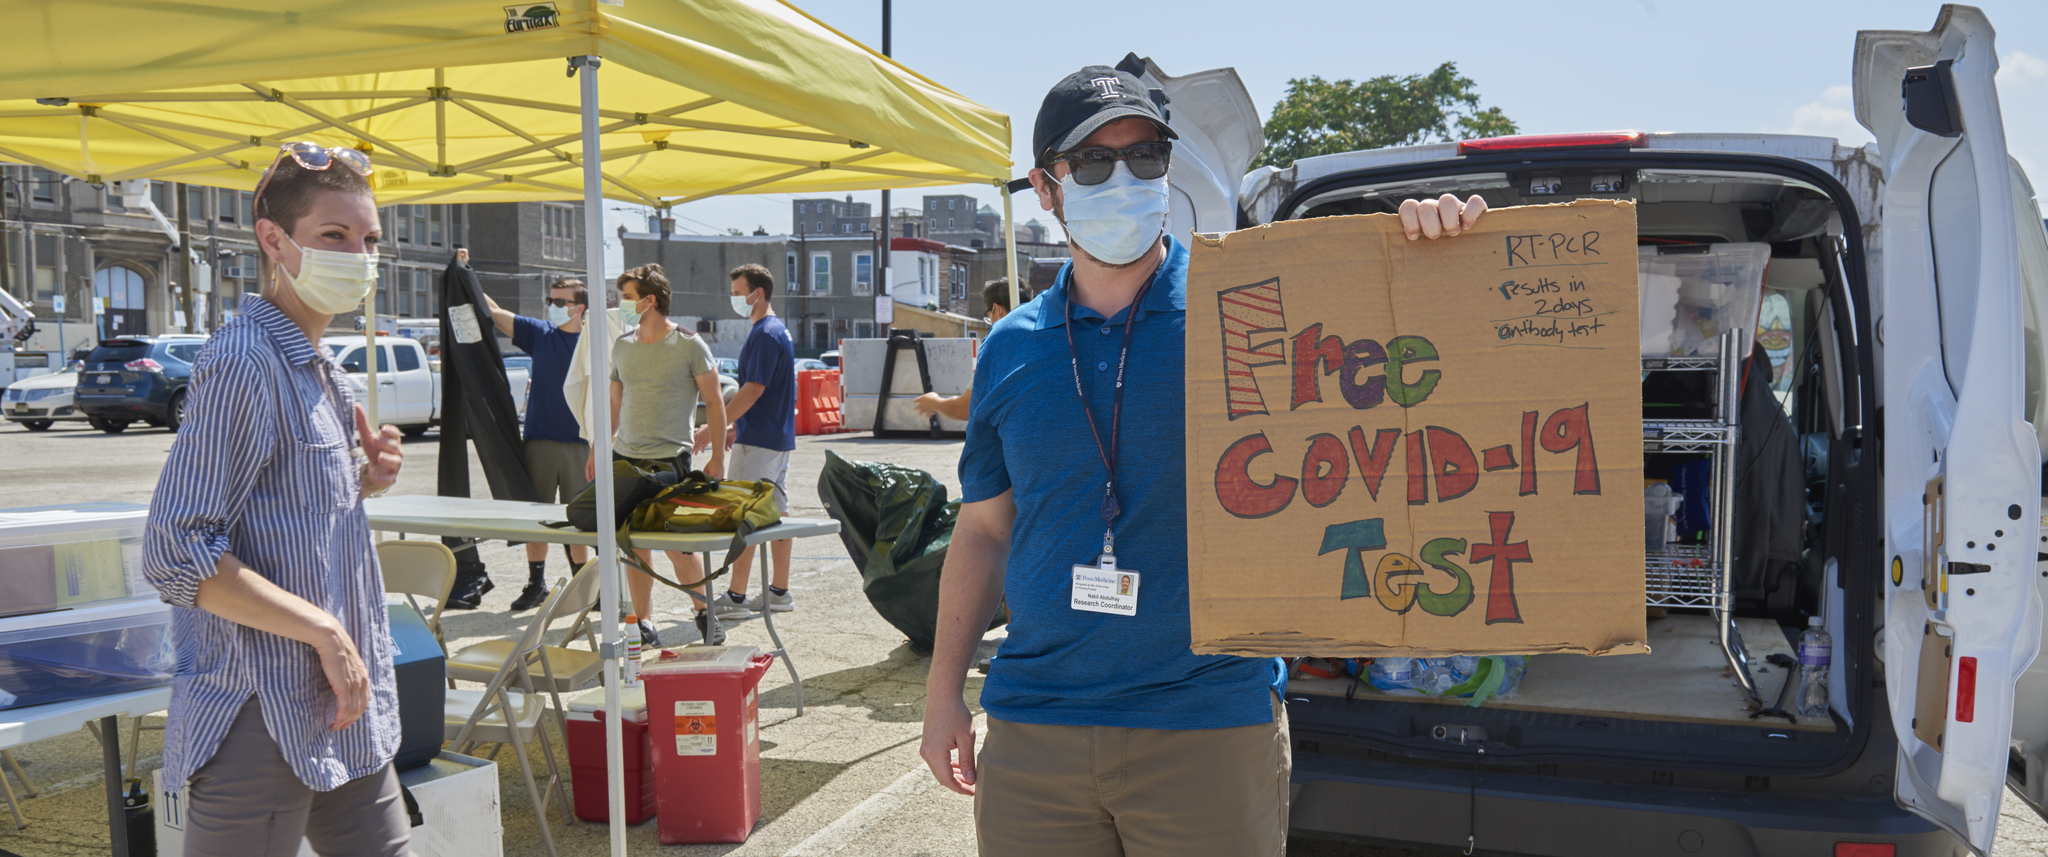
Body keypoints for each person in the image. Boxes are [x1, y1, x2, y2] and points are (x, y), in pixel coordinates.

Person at [918, 66, 1488, 856]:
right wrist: (943, 690)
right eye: (1092, 164)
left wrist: (1438, 253)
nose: (1123, 179)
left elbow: (1402, 374)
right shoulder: (1011, 346)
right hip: (1035, 729)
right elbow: (983, 529)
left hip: (1207, 727)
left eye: (1145, 157)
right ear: (1046, 190)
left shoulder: (1254, 308)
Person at [143, 142, 409, 857]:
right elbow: (177, 553)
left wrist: (360, 483)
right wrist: (326, 632)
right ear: (273, 239)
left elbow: (280, 511)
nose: (359, 256)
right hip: (262, 706)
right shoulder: (244, 361)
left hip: (339, 698)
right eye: (335, 236)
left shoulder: (321, 368)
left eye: (369, 239)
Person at [585, 264, 727, 646]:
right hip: (626, 458)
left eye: (628, 297)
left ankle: (704, 614)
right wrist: (600, 447)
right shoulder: (623, 345)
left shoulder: (689, 344)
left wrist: (717, 458)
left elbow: (714, 402)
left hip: (671, 460)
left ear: (651, 300)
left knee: (679, 547)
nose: (622, 304)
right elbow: (614, 403)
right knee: (635, 545)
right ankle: (644, 623)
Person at [480, 277, 593, 611]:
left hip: (581, 445)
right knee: (536, 519)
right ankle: (536, 584)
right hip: (539, 442)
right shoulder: (541, 333)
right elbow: (493, 310)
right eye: (551, 299)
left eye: (560, 301)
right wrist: (466, 271)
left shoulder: (595, 342)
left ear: (579, 307)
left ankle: (584, 585)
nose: (553, 306)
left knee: (581, 520)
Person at [693, 263, 798, 620]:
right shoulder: (774, 330)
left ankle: (736, 597)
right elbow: (763, 394)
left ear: (759, 293)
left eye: (739, 292)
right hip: (773, 438)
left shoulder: (765, 334)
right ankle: (779, 591)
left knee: (745, 516)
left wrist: (714, 425)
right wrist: (736, 427)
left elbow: (754, 389)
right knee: (776, 515)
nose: (734, 298)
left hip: (761, 444)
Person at [912, 277, 1014, 422]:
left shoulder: (999, 350)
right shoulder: (1045, 341)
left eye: (989, 316)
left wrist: (934, 402)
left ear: (998, 310)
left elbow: (964, 409)